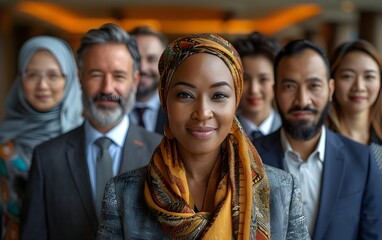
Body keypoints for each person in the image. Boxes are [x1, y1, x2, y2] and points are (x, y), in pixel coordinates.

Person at [97, 34, 310, 239]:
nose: (202, 112)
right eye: (185, 95)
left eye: (219, 95)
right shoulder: (124, 193)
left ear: (235, 102)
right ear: (165, 101)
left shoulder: (281, 190)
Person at [20, 23, 162, 240]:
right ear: (80, 77)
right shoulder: (46, 157)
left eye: (119, 76)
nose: (107, 88)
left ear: (134, 81)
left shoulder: (162, 152)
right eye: (96, 74)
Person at [254, 39, 382, 239]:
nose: (303, 100)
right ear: (275, 90)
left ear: (330, 90)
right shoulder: (250, 156)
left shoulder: (361, 159)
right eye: (289, 86)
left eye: (314, 85)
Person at [0, 36, 83, 239]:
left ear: (69, 79)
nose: (42, 85)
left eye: (53, 75)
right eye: (32, 75)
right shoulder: (4, 142)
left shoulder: (86, 137)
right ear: (20, 79)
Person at [327, 40, 382, 172]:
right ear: (331, 82)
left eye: (369, 77)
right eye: (347, 76)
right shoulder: (319, 142)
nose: (359, 86)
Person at [232, 32, 282, 141]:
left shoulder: (289, 134)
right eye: (245, 79)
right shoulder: (222, 134)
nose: (254, 90)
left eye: (263, 79)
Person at [129, 26, 168, 134]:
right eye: (136, 59)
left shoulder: (177, 111)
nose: (143, 68)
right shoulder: (108, 106)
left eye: (151, 59)